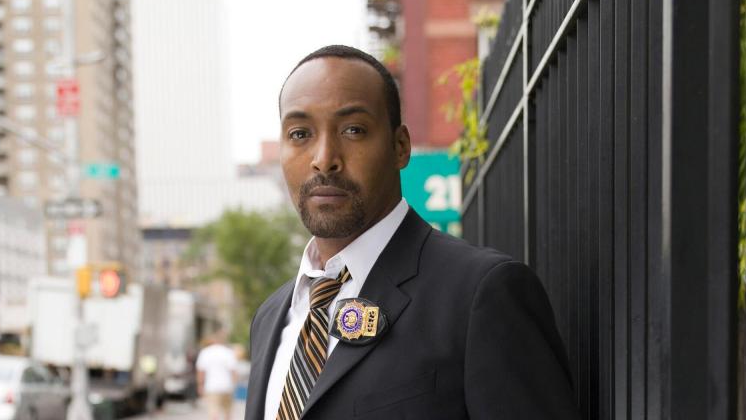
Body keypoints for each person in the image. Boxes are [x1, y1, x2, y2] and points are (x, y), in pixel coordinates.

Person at [245, 45, 580, 420]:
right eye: (300, 133)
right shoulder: (270, 318)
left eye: (353, 130)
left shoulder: (481, 293)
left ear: (400, 146)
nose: (324, 159)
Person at [197, 330, 239, 420]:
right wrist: (234, 385)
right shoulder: (228, 352)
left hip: (212, 387)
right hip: (227, 386)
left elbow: (201, 371)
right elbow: (234, 372)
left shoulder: (205, 352)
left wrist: (200, 386)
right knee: (227, 413)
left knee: (213, 413)